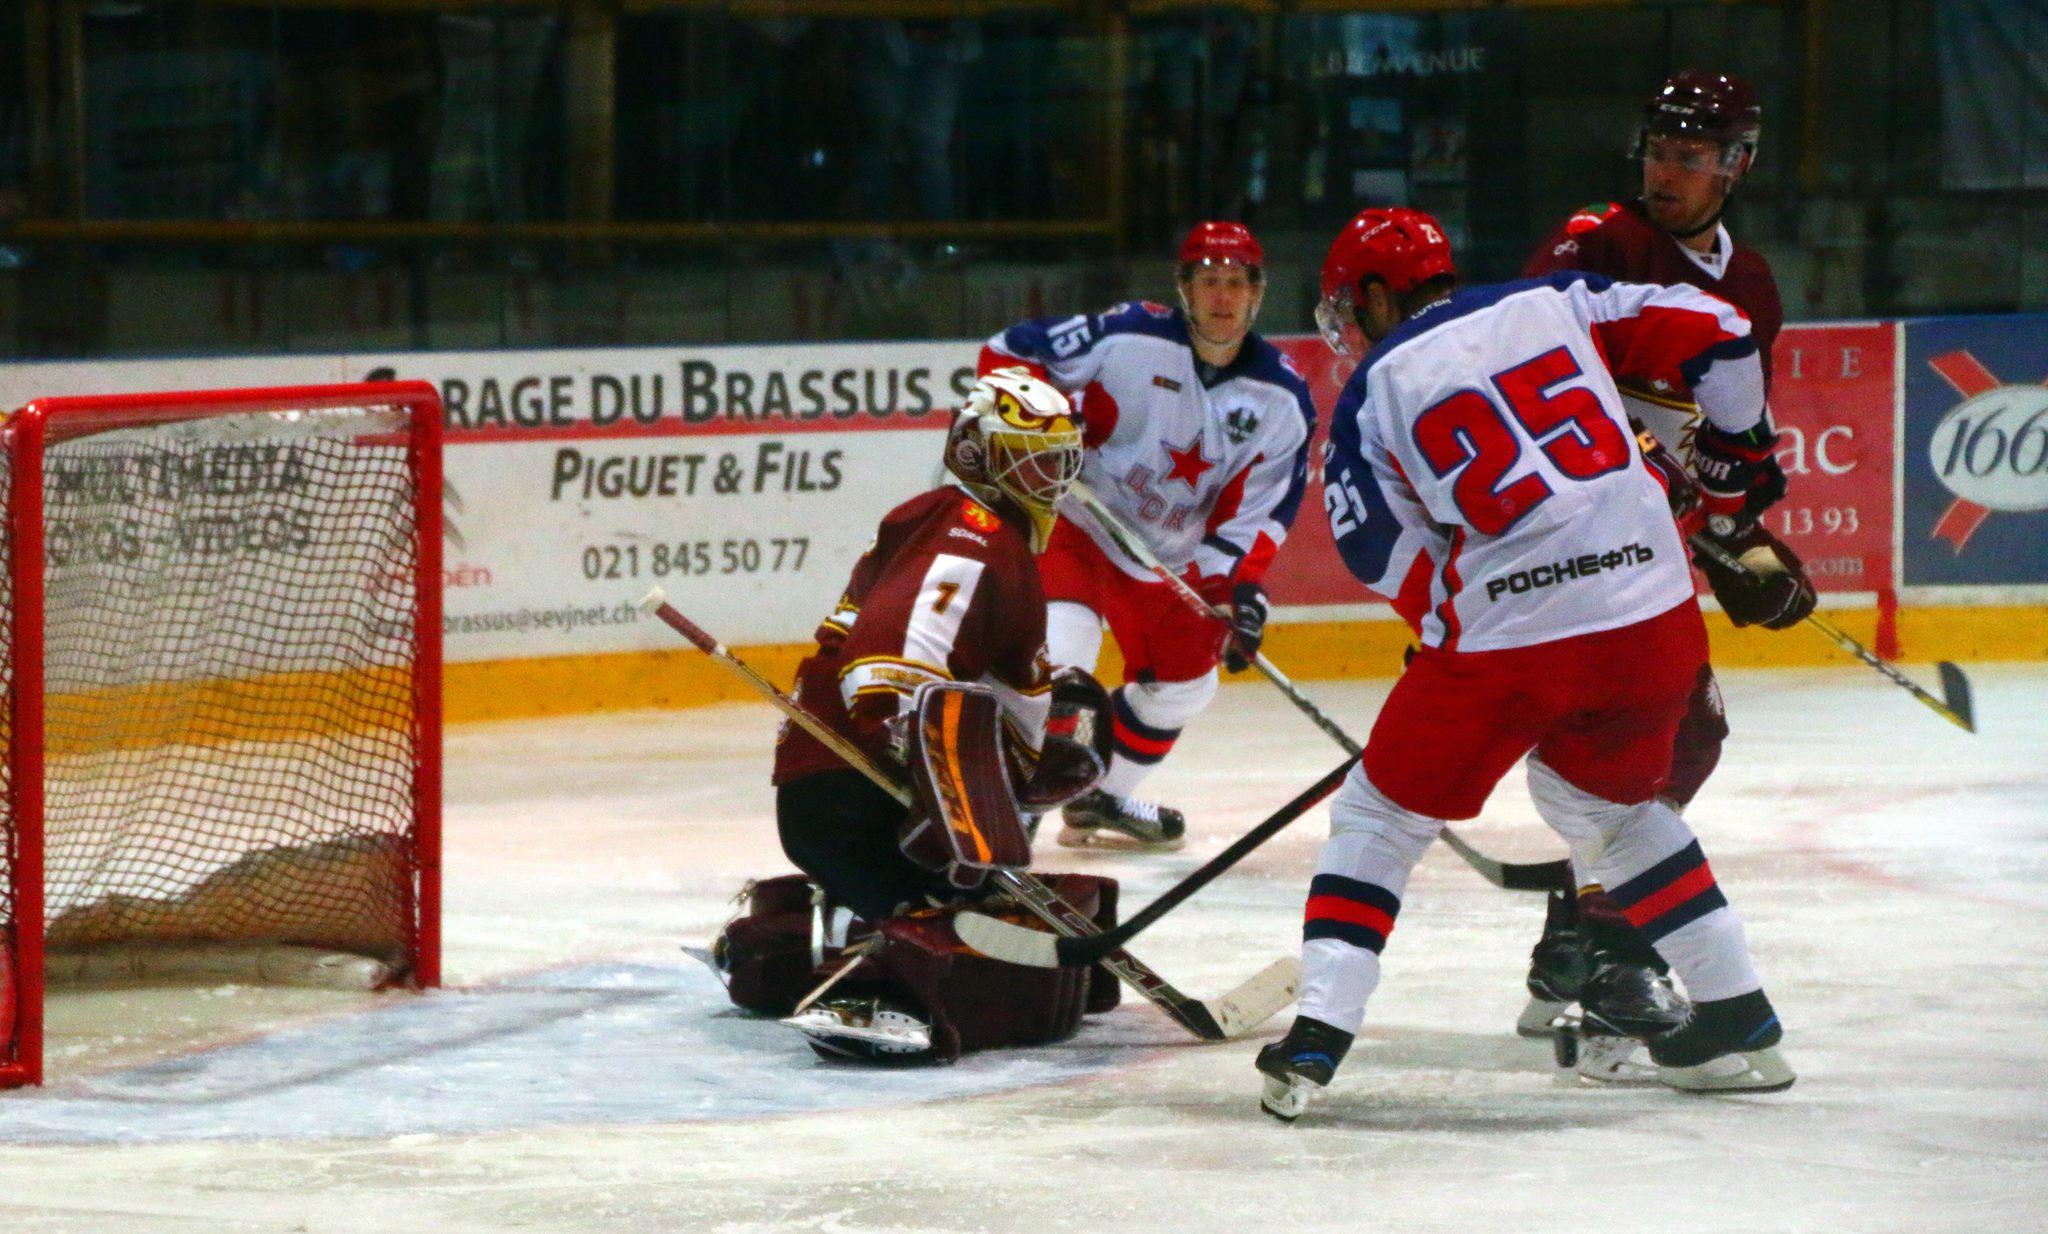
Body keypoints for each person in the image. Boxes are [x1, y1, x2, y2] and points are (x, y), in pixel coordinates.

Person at [1255, 207, 1796, 1122]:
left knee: (1380, 815)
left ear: (1381, 297)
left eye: (1348, 307)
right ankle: (1738, 1013)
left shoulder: (1369, 395)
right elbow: (1722, 328)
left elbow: (1379, 549)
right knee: (1608, 809)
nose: (1347, 328)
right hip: (1654, 618)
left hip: (1510, 641)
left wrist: (1443, 626)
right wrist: (1738, 457)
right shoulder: (1558, 301)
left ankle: (1318, 1034)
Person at [1515, 70, 1817, 1056]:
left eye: (1689, 156)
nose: (1665, 172)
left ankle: (1579, 933)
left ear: (1736, 165)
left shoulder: (1750, 285)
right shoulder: (1597, 243)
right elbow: (1525, 371)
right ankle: (1609, 952)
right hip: (1563, 541)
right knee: (1662, 736)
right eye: (1658, 150)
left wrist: (1743, 535)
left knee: (1677, 739)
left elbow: (1734, 442)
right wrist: (1640, 462)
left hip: (1643, 552)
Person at [715, 370, 1121, 1063]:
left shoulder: (982, 537)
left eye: (1059, 461)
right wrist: (909, 745)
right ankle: (878, 985)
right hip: (861, 788)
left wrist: (1023, 765)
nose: (1050, 478)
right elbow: (895, 657)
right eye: (1031, 459)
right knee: (950, 915)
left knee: (974, 899)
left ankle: (796, 938)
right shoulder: (972, 530)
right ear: (975, 454)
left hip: (840, 784)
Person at [979, 222, 1317, 850]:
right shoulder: (1130, 333)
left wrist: (1236, 590)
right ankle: (1011, 800)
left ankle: (1097, 795)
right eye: (1208, 281)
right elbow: (1011, 351)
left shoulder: (1283, 399)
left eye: (1236, 283)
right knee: (1064, 653)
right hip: (1078, 521)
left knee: (1187, 684)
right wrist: (1042, 423)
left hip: (1163, 556)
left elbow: (1257, 515)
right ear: (1183, 288)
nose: (1222, 296)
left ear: (1257, 293)